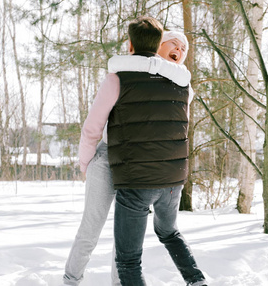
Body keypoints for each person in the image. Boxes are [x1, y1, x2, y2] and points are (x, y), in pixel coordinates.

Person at [63, 25, 198, 285]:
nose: (179, 50)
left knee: (124, 237)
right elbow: (93, 127)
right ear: (156, 45)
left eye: (184, 49)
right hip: (107, 161)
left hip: (141, 167)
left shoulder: (181, 85)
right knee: (91, 228)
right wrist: (87, 161)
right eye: (174, 44)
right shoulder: (120, 76)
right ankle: (71, 280)